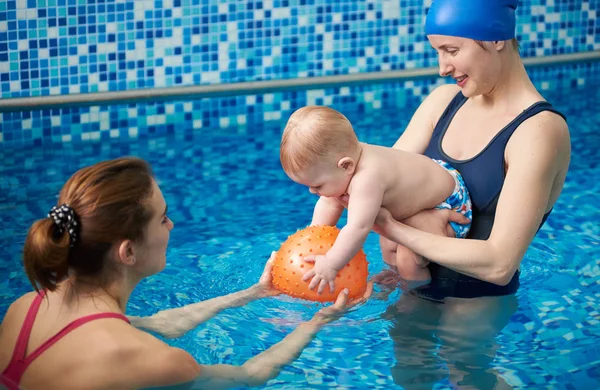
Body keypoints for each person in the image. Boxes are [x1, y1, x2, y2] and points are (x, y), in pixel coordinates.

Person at [0, 157, 369, 390]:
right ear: (127, 252)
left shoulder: (28, 307)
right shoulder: (155, 361)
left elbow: (155, 324)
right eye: (162, 218)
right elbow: (249, 377)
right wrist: (319, 321)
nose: (172, 225)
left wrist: (254, 293)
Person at [371, 0, 570, 387]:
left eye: (452, 50)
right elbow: (378, 177)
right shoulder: (442, 102)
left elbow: (498, 263)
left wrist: (399, 231)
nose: (442, 67)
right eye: (438, 51)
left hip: (476, 298)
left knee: (465, 370)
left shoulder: (538, 130)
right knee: (409, 373)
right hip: (413, 280)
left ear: (495, 38)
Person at [280, 105, 472, 293]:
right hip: (426, 191)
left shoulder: (367, 178)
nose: (312, 192)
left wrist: (330, 264)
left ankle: (419, 296)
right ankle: (394, 273)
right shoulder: (344, 162)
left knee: (407, 258)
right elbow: (328, 203)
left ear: (345, 165)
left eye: (317, 185)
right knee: (388, 244)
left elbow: (358, 228)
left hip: (451, 203)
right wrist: (310, 241)